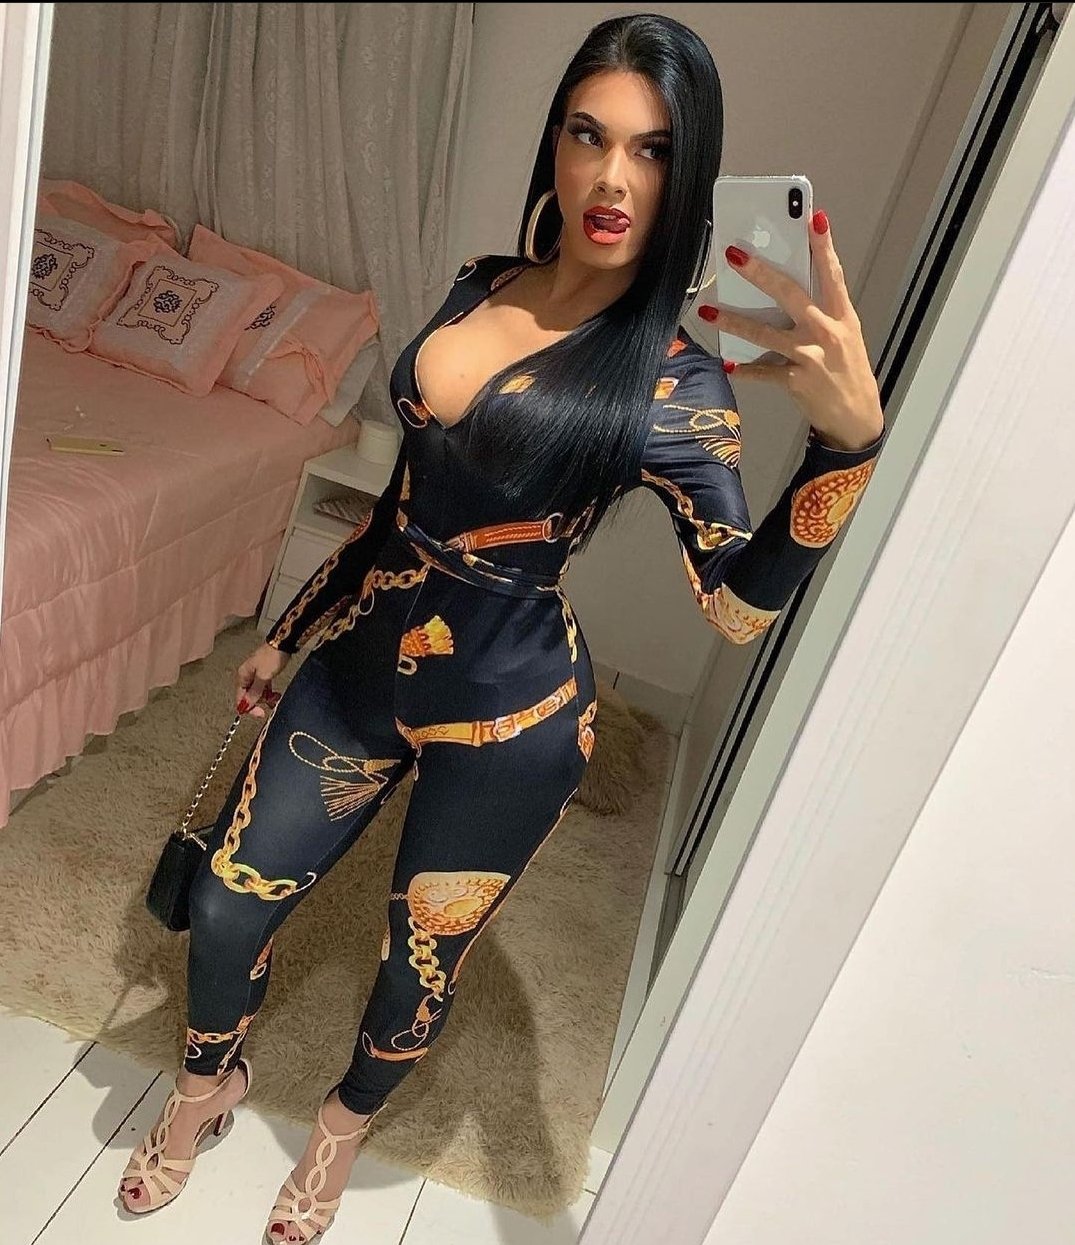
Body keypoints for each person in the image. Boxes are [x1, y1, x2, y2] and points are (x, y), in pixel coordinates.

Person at [117, 12, 886, 1241]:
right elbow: (401, 506)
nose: (613, 176)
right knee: (223, 902)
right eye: (589, 135)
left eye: (651, 149)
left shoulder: (673, 376)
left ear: (687, 172)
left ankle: (338, 1133)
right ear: (556, 144)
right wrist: (294, 625)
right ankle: (209, 1085)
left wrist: (846, 451)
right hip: (363, 666)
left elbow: (735, 605)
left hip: (512, 715)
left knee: (417, 962)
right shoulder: (481, 282)